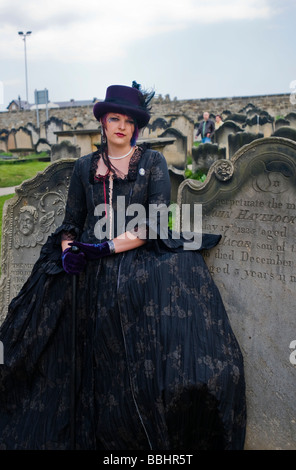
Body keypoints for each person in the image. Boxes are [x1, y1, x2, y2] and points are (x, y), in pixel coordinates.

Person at [0, 82, 246, 450]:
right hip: (86, 259)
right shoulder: (85, 167)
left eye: (129, 121)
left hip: (134, 254)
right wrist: (70, 250)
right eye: (115, 118)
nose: (122, 126)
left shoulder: (152, 162)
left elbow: (154, 223)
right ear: (102, 121)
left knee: (165, 289)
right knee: (36, 327)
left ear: (136, 127)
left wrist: (105, 247)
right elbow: (71, 220)